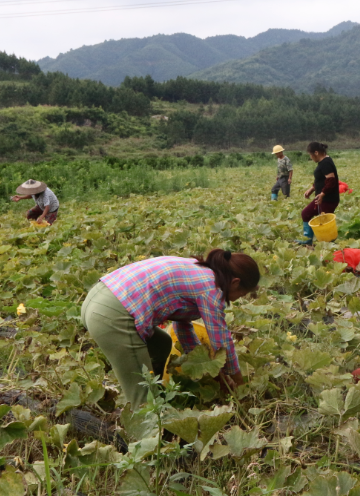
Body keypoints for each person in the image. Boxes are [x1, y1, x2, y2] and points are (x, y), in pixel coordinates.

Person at [80, 250, 260, 409]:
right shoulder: (212, 290)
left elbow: (184, 330)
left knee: (161, 345)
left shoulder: (199, 270)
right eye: (242, 294)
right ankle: (147, 438)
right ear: (235, 283)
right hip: (112, 314)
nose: (237, 299)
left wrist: (214, 375)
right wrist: (238, 385)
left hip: (97, 299)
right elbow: (222, 343)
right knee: (144, 396)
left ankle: (159, 395)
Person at [299, 141, 339, 245]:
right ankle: (307, 240)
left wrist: (322, 194)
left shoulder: (326, 163)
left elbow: (331, 181)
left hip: (328, 199)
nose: (311, 158)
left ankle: (330, 245)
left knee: (325, 223)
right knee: (306, 213)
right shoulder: (323, 162)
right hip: (322, 198)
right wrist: (311, 190)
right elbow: (321, 180)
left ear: (316, 153)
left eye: (311, 155)